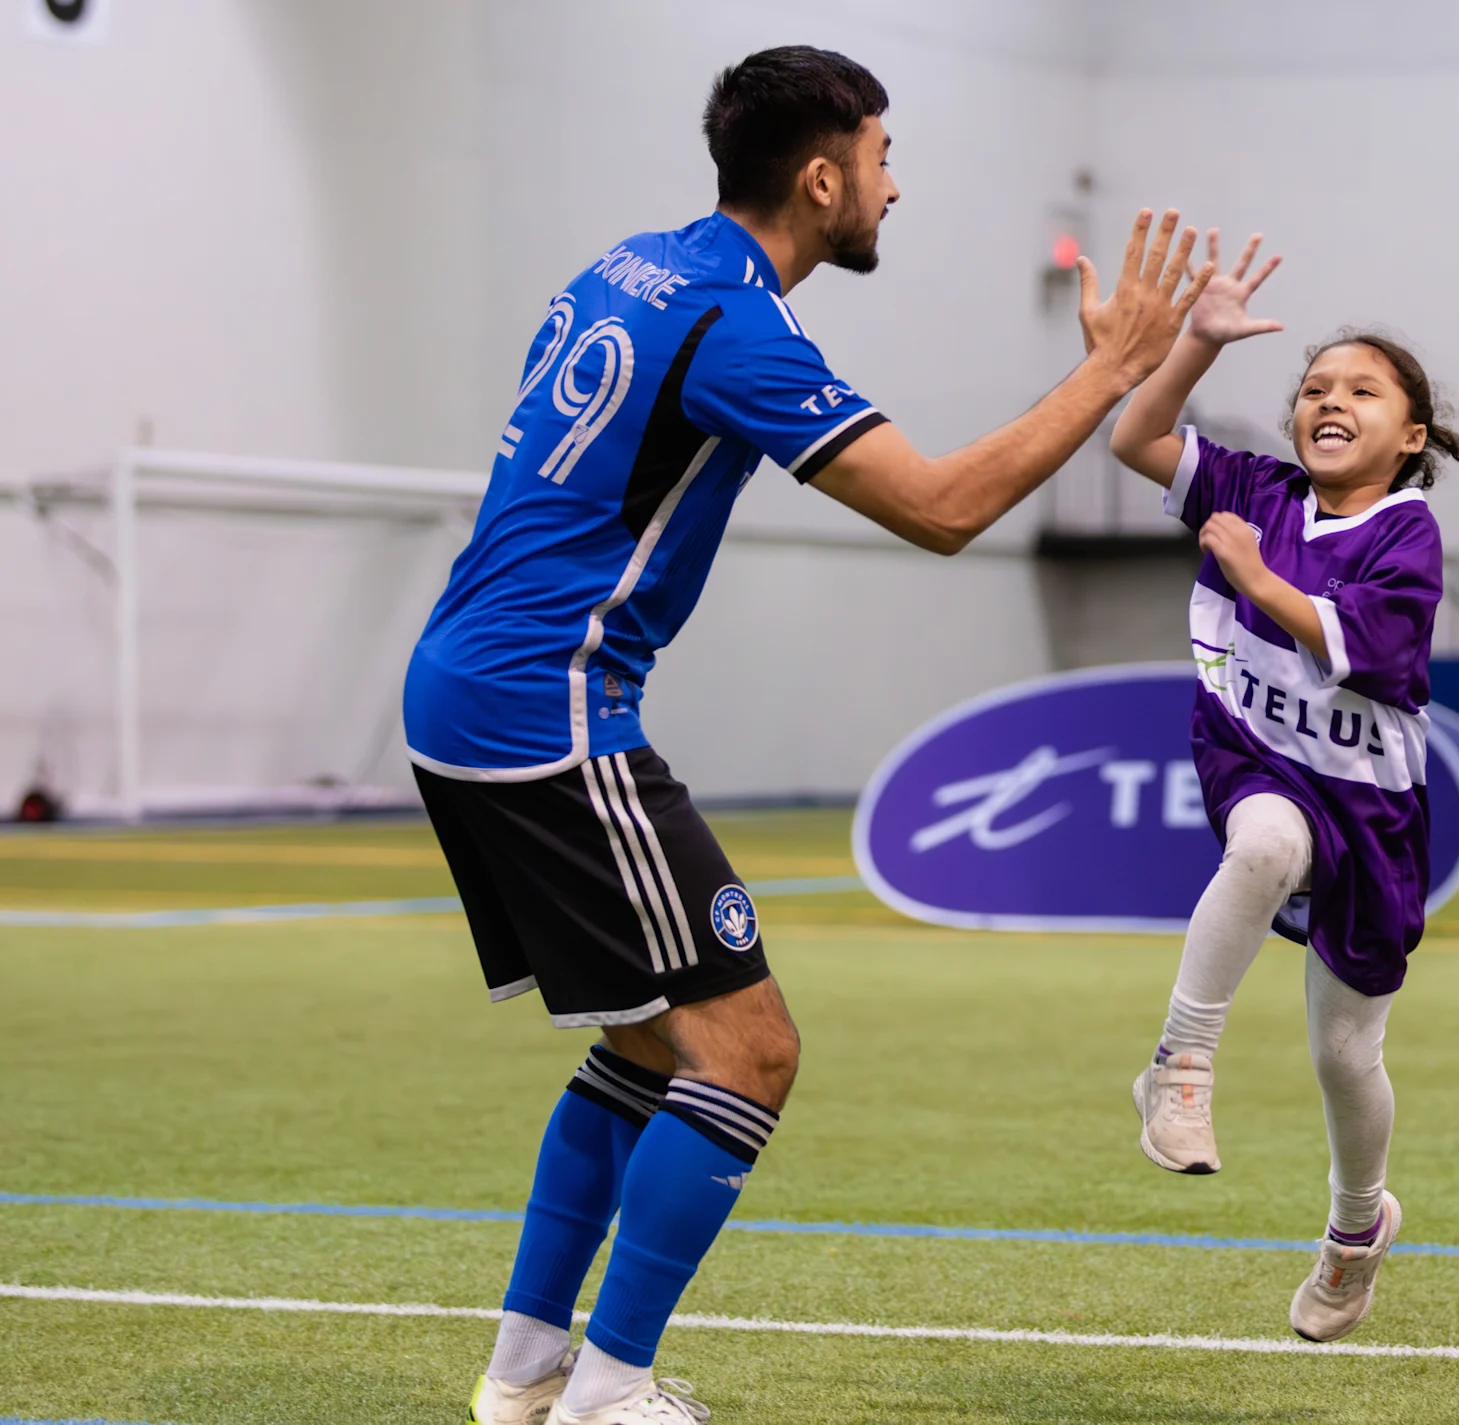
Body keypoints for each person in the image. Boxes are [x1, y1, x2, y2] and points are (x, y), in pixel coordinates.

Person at [402, 45, 1214, 1425]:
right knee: (751, 1054)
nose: (897, 188)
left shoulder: (633, 266)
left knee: (653, 1045)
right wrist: (1114, 372)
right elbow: (945, 506)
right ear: (822, 173)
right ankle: (607, 1392)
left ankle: (529, 1374)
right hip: (551, 706)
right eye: (885, 158)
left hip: (469, 690)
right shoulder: (736, 327)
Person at [1110, 233, 1459, 1343]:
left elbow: (1343, 640)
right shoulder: (1250, 488)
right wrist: (1194, 346)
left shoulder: (1405, 531)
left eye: (1362, 390)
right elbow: (1132, 435)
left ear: (1409, 435)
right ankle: (1177, 1067)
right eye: (1315, 386)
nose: (1331, 399)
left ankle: (1356, 1233)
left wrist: (1253, 574)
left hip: (1370, 811)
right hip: (1256, 759)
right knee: (1262, 846)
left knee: (1343, 1053)